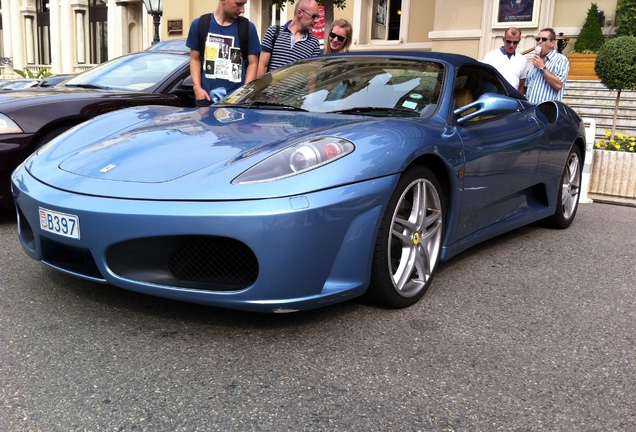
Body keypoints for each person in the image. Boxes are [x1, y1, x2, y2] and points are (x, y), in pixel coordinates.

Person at [186, 0, 261, 106]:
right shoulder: (200, 24)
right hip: (206, 101)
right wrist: (197, 88)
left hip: (237, 103)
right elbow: (195, 59)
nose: (242, 10)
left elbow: (253, 63)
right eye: (238, 4)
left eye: (244, 4)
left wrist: (244, 94)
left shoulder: (248, 28)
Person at [257, 0, 322, 77]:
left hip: (298, 89)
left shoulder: (314, 42)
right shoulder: (274, 32)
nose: (316, 21)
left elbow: (312, 75)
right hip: (272, 88)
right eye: (313, 16)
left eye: (317, 17)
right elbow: (262, 67)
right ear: (300, 13)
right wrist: (260, 88)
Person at [524, 27, 570, 104]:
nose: (540, 42)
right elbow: (527, 86)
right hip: (530, 108)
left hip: (547, 110)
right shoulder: (536, 60)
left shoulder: (560, 60)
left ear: (552, 43)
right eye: (538, 39)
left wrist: (542, 67)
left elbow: (558, 85)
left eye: (544, 39)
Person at [482, 27, 527, 93]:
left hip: (513, 99)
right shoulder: (491, 56)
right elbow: (483, 79)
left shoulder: (522, 59)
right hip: (495, 96)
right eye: (508, 41)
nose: (512, 45)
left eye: (515, 42)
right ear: (503, 39)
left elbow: (521, 85)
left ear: (519, 41)